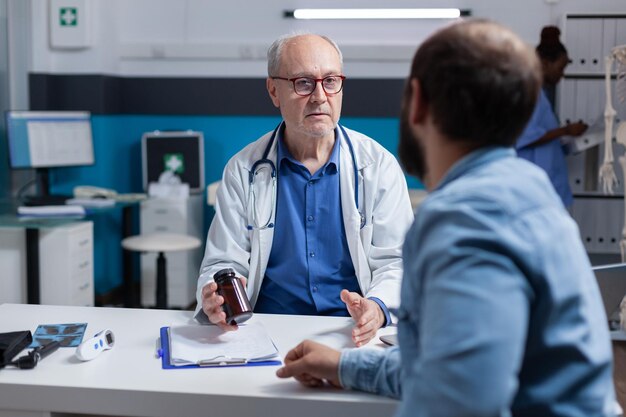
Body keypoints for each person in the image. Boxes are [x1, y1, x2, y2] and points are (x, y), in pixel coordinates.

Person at [276, 19, 617, 416]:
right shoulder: (532, 191)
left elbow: (458, 400)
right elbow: (449, 368)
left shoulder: (461, 219)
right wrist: (343, 364)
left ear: (417, 102)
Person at [194, 33, 414, 346]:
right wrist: (217, 298)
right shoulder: (243, 170)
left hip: (350, 331)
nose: (320, 96)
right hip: (266, 331)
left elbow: (397, 262)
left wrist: (377, 308)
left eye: (331, 81)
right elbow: (222, 264)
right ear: (274, 90)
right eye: (303, 82)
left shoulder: (377, 167)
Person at [516, 26, 588, 207]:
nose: (562, 74)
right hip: (535, 189)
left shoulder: (542, 94)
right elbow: (524, 136)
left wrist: (567, 138)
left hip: (546, 185)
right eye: (560, 68)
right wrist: (566, 130)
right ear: (546, 63)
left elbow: (544, 135)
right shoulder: (529, 93)